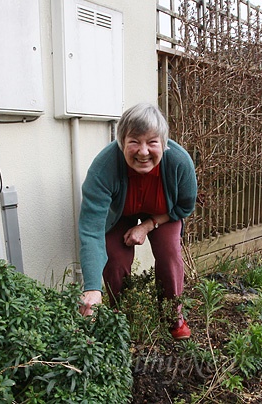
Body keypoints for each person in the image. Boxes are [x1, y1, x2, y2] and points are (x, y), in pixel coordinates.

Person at [77, 102, 198, 340]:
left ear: (163, 143)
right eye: (134, 141)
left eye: (152, 142)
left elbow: (185, 206)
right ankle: (121, 316)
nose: (143, 151)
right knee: (115, 257)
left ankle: (173, 317)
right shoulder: (104, 168)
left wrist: (147, 225)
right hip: (121, 214)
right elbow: (91, 230)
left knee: (169, 253)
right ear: (121, 142)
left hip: (164, 214)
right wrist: (92, 287)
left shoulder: (179, 163)